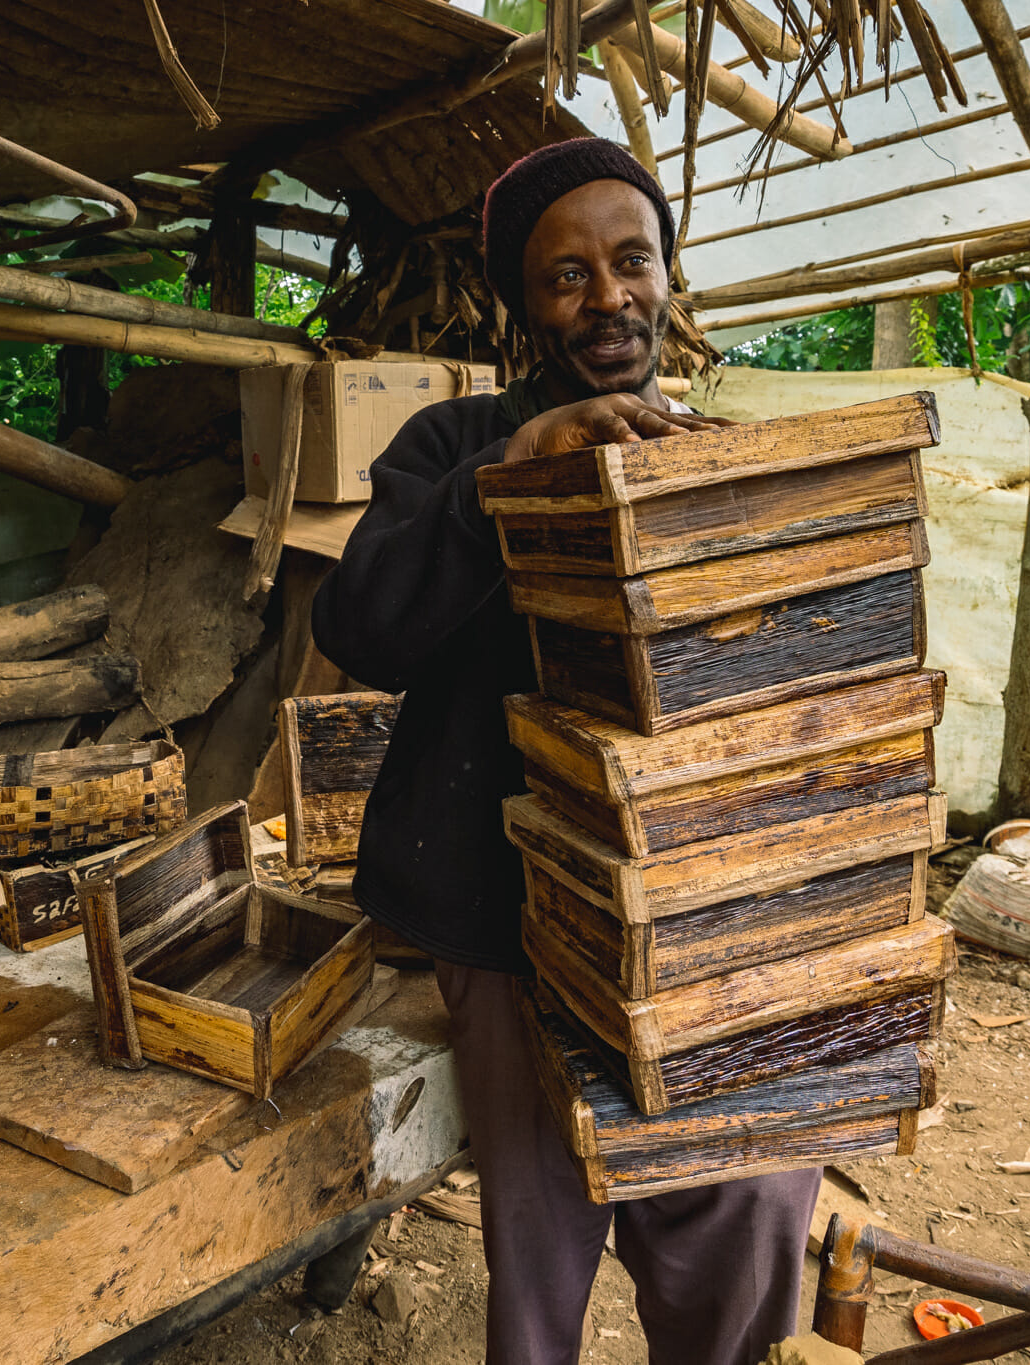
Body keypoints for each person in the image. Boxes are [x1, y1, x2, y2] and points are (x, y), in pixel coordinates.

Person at [311, 138, 822, 1365]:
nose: (607, 299)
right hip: (508, 916)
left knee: (747, 1198)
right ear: (522, 304)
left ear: (668, 274)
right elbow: (361, 625)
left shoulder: (712, 454)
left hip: (703, 913)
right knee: (541, 1237)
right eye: (566, 276)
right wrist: (515, 469)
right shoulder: (451, 448)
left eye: (630, 262)